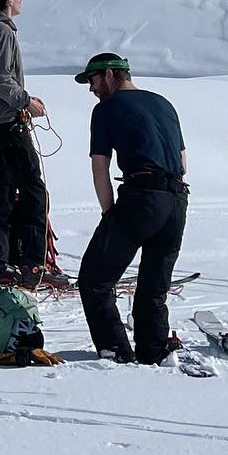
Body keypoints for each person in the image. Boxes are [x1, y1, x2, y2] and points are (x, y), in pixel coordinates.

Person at [73, 52, 188, 364]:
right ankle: (154, 352)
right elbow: (184, 162)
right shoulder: (164, 103)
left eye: (93, 80)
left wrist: (109, 212)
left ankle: (117, 354)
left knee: (95, 280)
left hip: (141, 198)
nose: (91, 88)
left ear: (110, 74)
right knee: (153, 287)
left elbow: (100, 167)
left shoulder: (106, 109)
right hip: (177, 201)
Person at [0, 0, 50, 286]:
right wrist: (26, 102)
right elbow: (1, 78)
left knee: (1, 191)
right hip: (7, 118)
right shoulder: (2, 31)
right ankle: (33, 264)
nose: (21, 2)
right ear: (9, 0)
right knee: (32, 189)